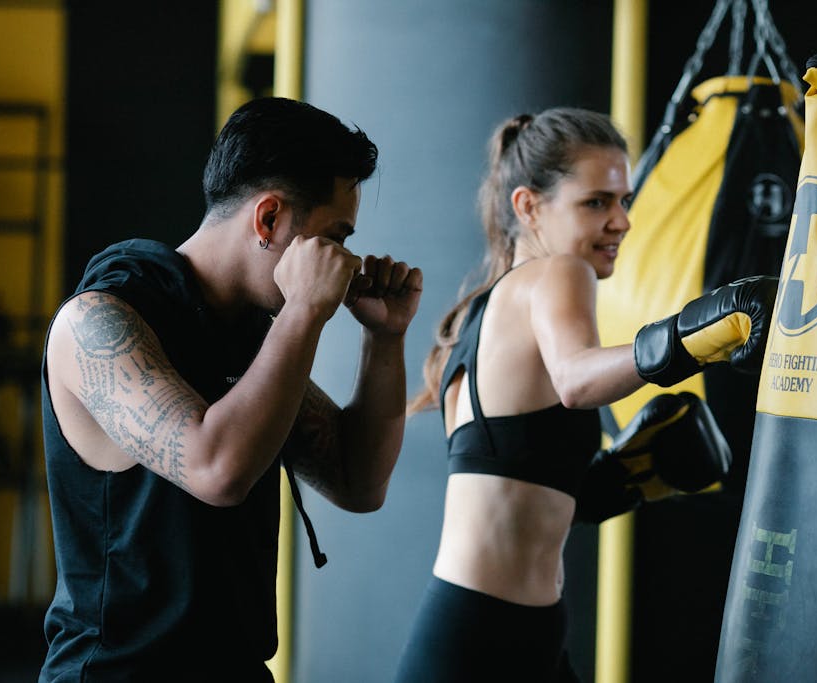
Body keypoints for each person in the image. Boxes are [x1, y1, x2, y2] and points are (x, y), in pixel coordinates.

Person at [39, 96, 423, 682]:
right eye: (334, 237)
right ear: (268, 219)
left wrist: (385, 339)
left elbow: (358, 482)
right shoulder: (99, 321)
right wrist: (305, 311)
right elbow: (216, 471)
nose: (344, 262)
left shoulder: (246, 336)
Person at [394, 108, 776, 682]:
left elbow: (510, 492)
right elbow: (576, 380)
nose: (622, 221)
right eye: (596, 203)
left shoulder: (481, 315)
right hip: (485, 640)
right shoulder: (558, 274)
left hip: (499, 630)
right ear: (528, 206)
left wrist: (621, 479)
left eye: (624, 200)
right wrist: (693, 338)